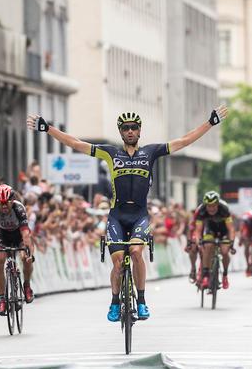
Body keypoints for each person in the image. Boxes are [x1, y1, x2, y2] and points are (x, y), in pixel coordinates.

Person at [27, 105, 227, 322]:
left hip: (139, 214)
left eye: (133, 128)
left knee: (136, 252)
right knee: (118, 260)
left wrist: (210, 123)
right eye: (125, 128)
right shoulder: (110, 153)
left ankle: (141, 301)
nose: (130, 131)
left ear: (139, 130)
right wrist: (47, 128)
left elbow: (184, 141)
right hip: (117, 216)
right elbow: (76, 143)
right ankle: (114, 301)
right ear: (120, 132)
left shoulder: (150, 152)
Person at [0, 184, 35, 316]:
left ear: (12, 200)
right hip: (2, 235)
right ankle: (2, 300)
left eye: (7, 203)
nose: (4, 206)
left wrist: (29, 252)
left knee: (25, 258)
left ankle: (27, 286)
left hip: (19, 234)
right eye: (1, 203)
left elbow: (26, 234)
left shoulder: (19, 208)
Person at [193, 191, 235, 290]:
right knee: (208, 246)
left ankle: (225, 274)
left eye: (213, 206)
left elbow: (231, 229)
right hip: (210, 230)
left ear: (217, 204)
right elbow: (198, 230)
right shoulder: (201, 210)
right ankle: (206, 275)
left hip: (223, 230)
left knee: (225, 251)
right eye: (209, 206)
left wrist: (231, 242)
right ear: (205, 205)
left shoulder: (224, 209)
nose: (211, 208)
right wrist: (198, 241)